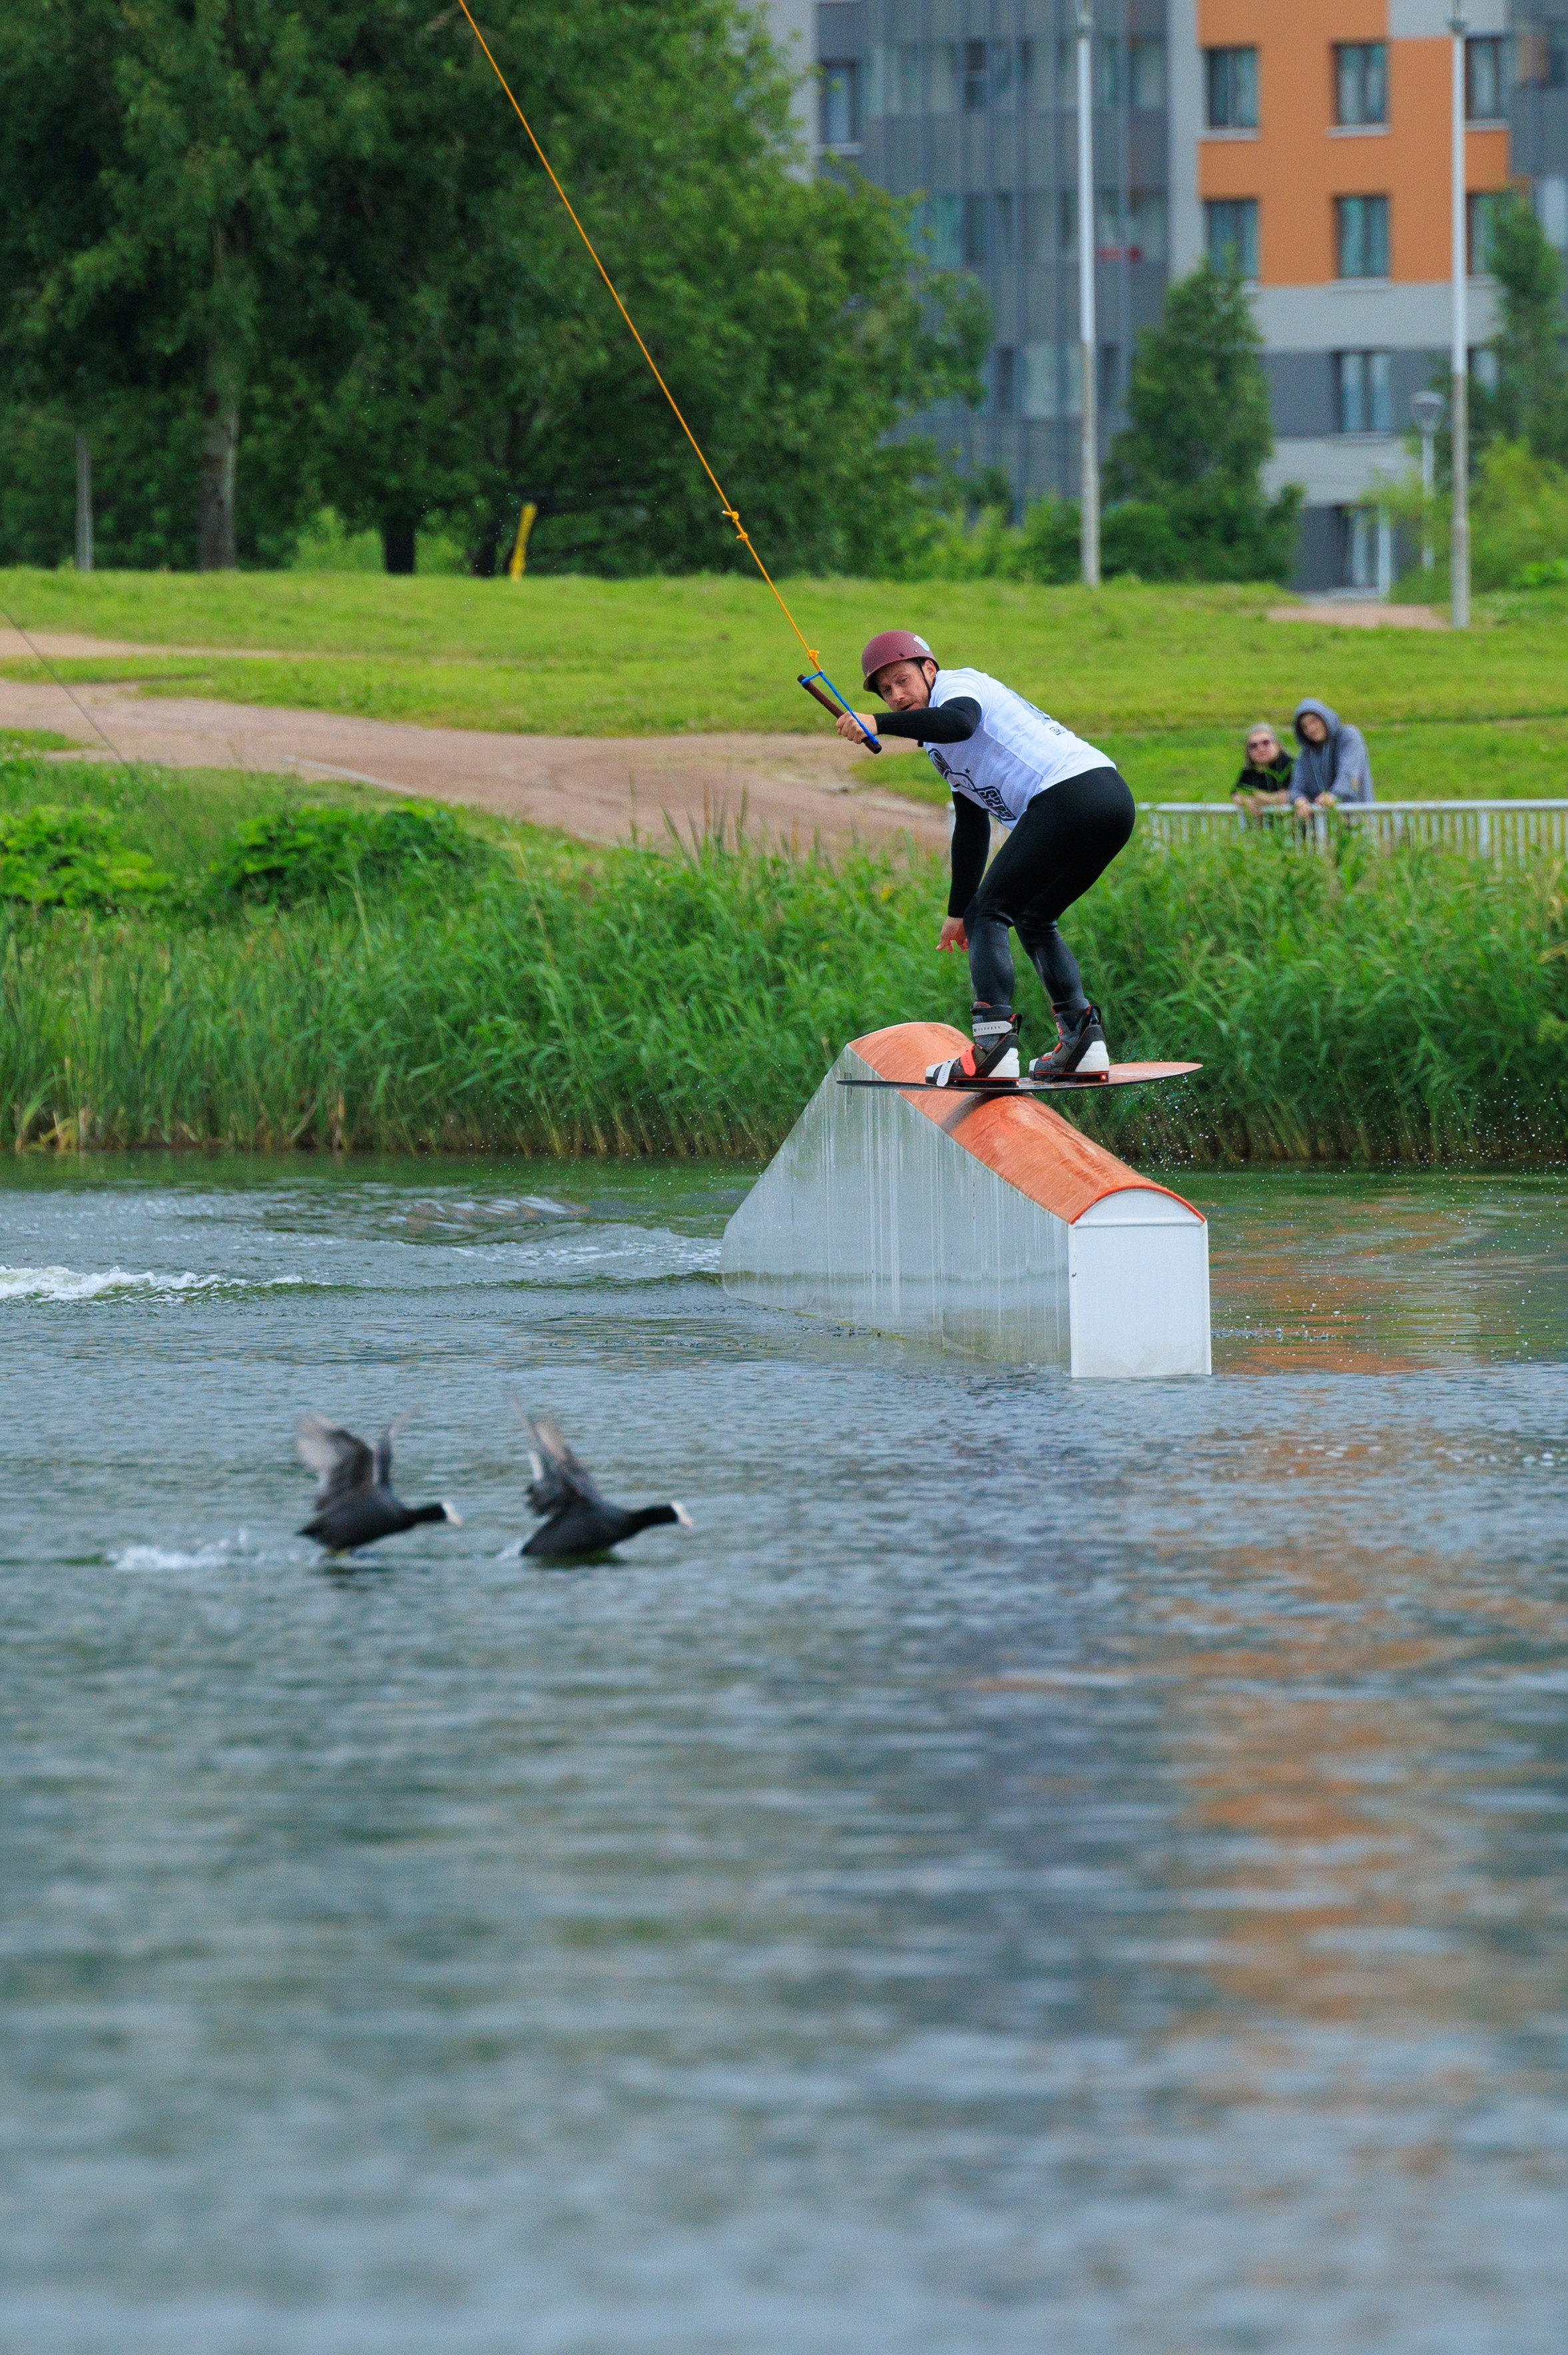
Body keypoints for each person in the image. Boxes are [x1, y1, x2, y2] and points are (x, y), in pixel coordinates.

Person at [835, 629, 1135, 1085]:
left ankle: (992, 1049)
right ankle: (1082, 1044)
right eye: (885, 692)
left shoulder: (959, 686)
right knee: (1032, 917)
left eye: (902, 681)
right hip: (1107, 802)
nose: (896, 696)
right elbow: (971, 827)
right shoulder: (937, 745)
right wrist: (959, 912)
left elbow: (959, 722)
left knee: (991, 912)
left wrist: (877, 723)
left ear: (929, 670)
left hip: (1071, 793)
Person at [1289, 698, 1374, 813]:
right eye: (1305, 727)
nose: (1311, 729)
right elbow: (1297, 785)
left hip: (1357, 819)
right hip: (1323, 825)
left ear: (1325, 718)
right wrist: (1299, 800)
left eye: (1314, 721)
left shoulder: (1348, 736)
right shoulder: (1306, 753)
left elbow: (1349, 774)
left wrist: (1333, 796)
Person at [1231, 722, 1294, 816]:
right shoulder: (1249, 771)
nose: (1260, 749)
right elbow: (1236, 793)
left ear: (1277, 744)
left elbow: (1296, 794)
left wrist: (1267, 799)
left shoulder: (1292, 766)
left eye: (1266, 743)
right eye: (1253, 746)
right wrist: (1246, 801)